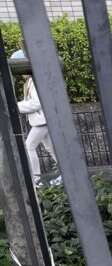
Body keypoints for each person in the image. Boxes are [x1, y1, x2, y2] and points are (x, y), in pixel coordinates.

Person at [10, 49, 59, 186]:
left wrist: (15, 106)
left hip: (42, 120)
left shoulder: (34, 81)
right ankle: (66, 173)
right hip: (42, 119)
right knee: (51, 149)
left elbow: (37, 103)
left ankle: (36, 178)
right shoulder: (31, 80)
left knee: (29, 146)